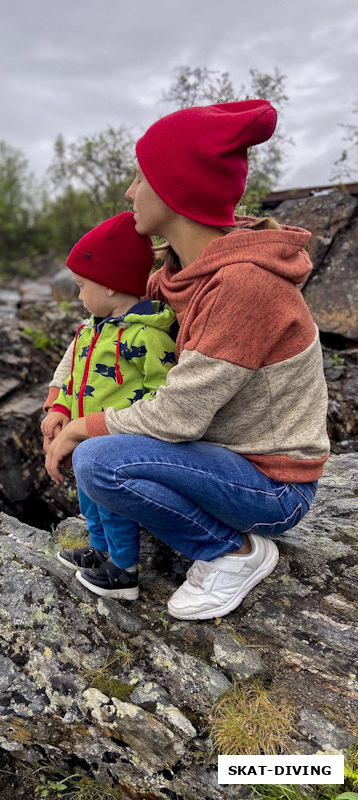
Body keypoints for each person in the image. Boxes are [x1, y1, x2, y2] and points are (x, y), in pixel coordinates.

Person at [44, 99, 330, 620]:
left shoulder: (245, 285)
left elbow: (180, 415)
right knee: (99, 453)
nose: (130, 192)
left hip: (271, 486)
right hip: (223, 462)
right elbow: (98, 330)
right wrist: (62, 402)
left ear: (175, 190)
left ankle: (233, 552)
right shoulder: (178, 274)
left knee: (98, 461)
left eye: (140, 177)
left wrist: (83, 428)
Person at [41, 211, 176, 600]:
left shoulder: (148, 337)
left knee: (113, 503)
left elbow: (164, 389)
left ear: (112, 287)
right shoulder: (92, 331)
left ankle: (123, 572)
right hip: (87, 436)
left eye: (82, 286)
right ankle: (99, 551)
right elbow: (76, 379)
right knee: (90, 499)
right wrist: (60, 409)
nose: (79, 296)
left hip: (116, 437)